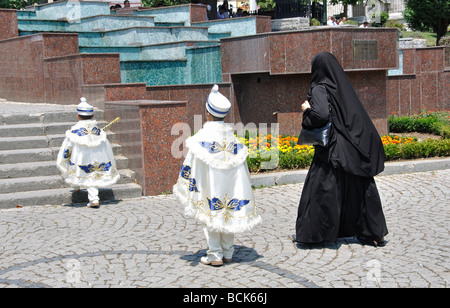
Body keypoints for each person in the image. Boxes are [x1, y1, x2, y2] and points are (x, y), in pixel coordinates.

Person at [294, 52, 388, 247]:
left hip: (332, 150)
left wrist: (306, 111)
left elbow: (320, 115)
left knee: (322, 189)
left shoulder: (319, 87)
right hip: (352, 148)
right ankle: (373, 233)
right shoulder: (341, 86)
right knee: (360, 188)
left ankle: (316, 235)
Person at [173, 85, 261, 266]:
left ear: (207, 112)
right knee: (228, 212)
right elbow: (242, 170)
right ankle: (228, 252)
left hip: (208, 186)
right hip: (231, 186)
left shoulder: (201, 139)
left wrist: (186, 183)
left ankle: (215, 254)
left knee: (211, 214)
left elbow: (190, 164)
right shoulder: (234, 141)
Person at [56, 98, 120, 208]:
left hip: (80, 159)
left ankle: (93, 198)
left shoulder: (73, 133)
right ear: (93, 116)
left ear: (78, 116)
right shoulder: (99, 133)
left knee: (85, 172)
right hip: (98, 158)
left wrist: (64, 158)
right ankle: (84, 192)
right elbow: (107, 148)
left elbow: (67, 149)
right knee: (92, 173)